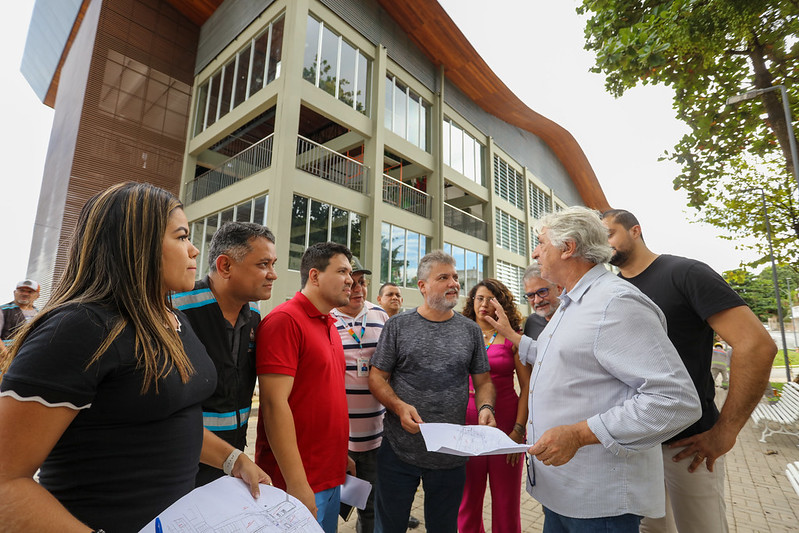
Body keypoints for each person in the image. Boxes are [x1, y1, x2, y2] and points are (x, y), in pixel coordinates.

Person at [0, 182, 269, 533]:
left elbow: (164, 418)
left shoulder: (175, 320)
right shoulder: (80, 327)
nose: (193, 250)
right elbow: (7, 481)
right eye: (182, 236)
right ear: (136, 243)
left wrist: (233, 459)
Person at [487, 206, 701, 532]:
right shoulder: (573, 302)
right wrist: (511, 336)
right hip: (561, 491)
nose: (534, 252)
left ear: (568, 247)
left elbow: (675, 400)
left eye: (541, 242)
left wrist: (579, 434)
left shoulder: (614, 302)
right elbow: (556, 355)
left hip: (598, 503)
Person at [601, 208, 777, 533]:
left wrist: (725, 431)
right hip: (635, 445)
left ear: (635, 230)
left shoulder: (685, 272)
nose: (603, 243)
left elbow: (757, 345)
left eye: (609, 233)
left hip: (689, 445)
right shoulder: (610, 290)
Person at [369, 250, 497, 533]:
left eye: (455, 277)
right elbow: (377, 378)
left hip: (451, 452)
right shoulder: (398, 326)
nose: (454, 283)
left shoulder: (470, 331)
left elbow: (484, 381)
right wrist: (399, 407)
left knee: (444, 528)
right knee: (388, 527)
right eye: (444, 277)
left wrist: (487, 408)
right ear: (423, 286)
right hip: (399, 450)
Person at [255, 241, 353, 533]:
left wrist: (340, 455)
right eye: (342, 271)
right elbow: (274, 405)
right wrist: (297, 483)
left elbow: (321, 395)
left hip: (331, 475)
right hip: (296, 482)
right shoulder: (285, 321)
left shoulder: (330, 325)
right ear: (314, 276)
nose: (351, 279)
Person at [173, 221, 278, 487]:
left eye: (273, 264)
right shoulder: (175, 308)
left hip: (233, 462)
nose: (273, 274)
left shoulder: (254, 314)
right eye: (263, 264)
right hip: (180, 463)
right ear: (225, 266)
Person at [458, 278, 531, 533]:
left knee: (506, 500)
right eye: (479, 298)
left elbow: (527, 388)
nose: (484, 304)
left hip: (507, 425)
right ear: (472, 302)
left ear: (501, 304)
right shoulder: (461, 335)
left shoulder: (513, 338)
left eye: (491, 299)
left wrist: (518, 432)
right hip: (467, 424)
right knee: (467, 499)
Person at [331, 257, 388, 533]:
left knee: (372, 508)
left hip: (376, 437)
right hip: (339, 440)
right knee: (334, 505)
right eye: (351, 283)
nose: (358, 289)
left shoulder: (380, 315)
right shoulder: (327, 318)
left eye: (362, 283)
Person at [1, 279, 41, 358]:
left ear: (37, 296)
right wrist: (7, 358)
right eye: (21, 290)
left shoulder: (39, 314)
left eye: (30, 292)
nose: (25, 294)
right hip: (5, 360)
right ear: (14, 292)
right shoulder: (3, 310)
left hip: (28, 358)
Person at [521, 264, 562, 339]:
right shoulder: (531, 322)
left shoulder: (575, 318)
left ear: (559, 289)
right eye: (530, 295)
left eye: (542, 292)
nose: (537, 300)